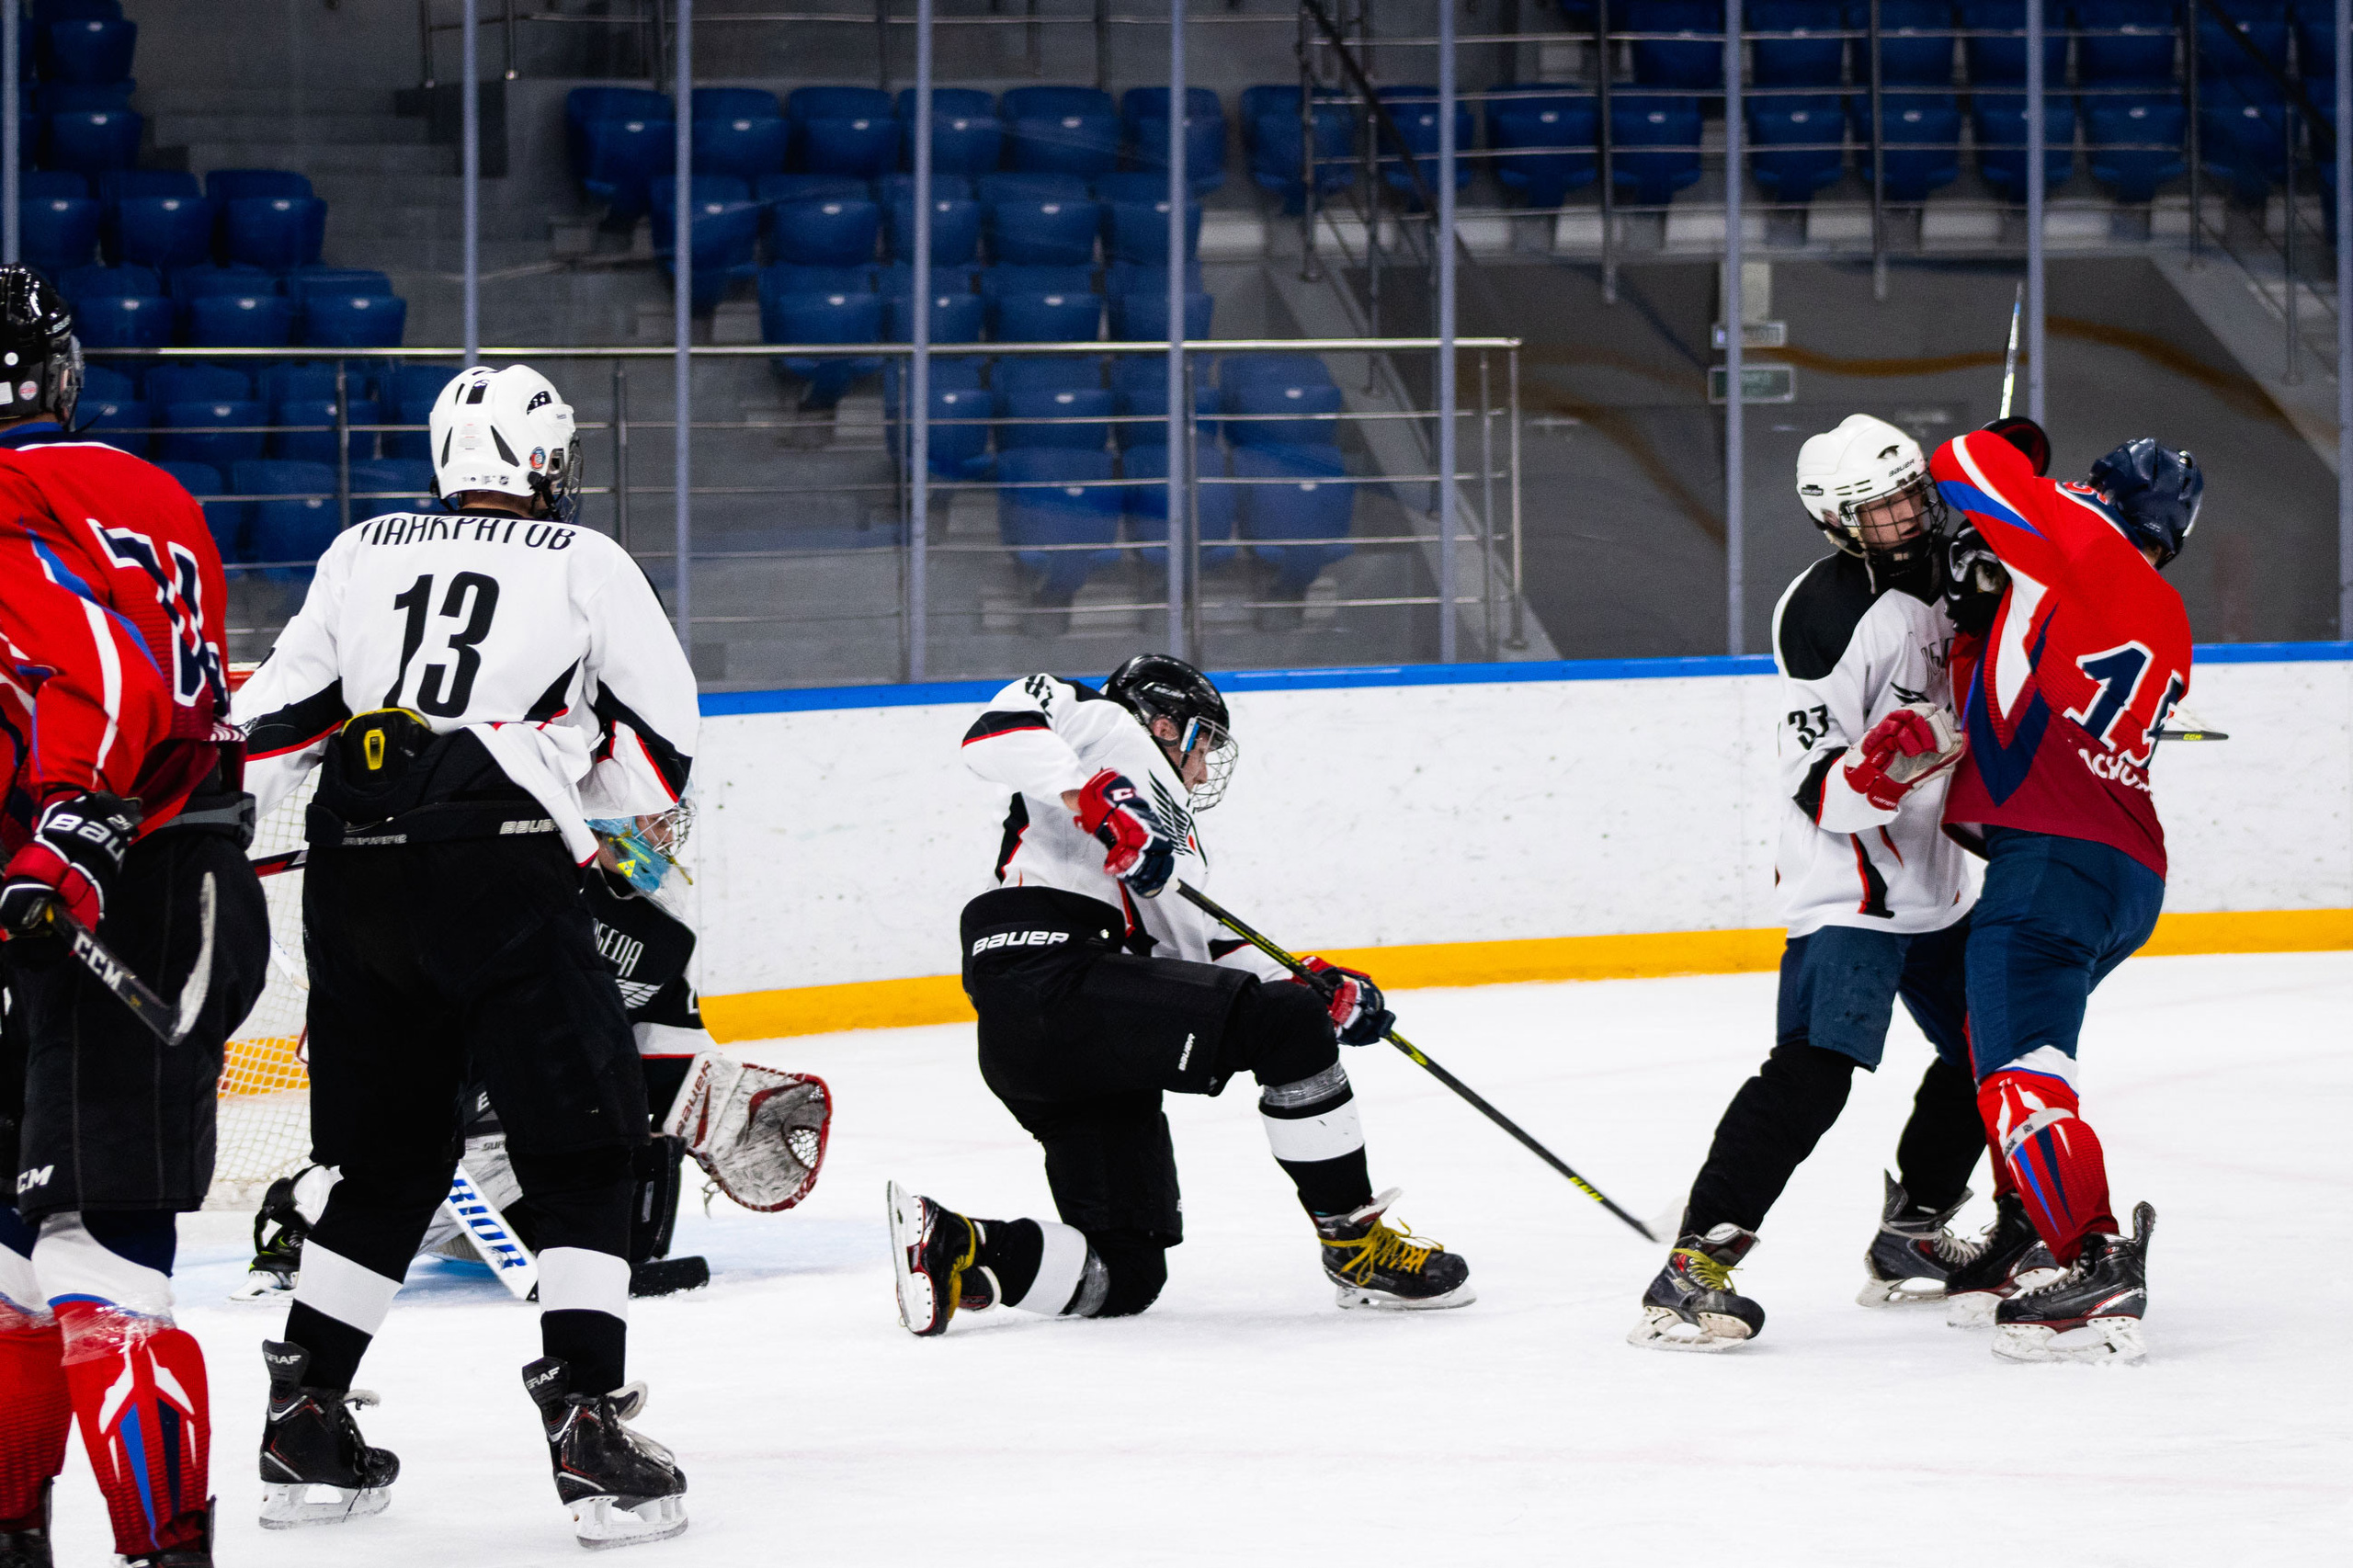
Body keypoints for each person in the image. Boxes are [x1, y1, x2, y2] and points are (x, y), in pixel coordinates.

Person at [232, 363, 700, 1545]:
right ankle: (590, 1427)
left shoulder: (358, 548)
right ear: (538, 456)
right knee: (586, 1145)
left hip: (352, 871)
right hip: (499, 864)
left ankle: (305, 1424)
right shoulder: (586, 560)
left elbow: (272, 723)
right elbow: (665, 747)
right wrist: (576, 790)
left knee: (385, 1161)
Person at [887, 654, 1472, 1335]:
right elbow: (995, 734)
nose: (1202, 770)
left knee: (1125, 1275)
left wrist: (1313, 985)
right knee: (1281, 1023)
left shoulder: (1178, 844)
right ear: (1167, 722)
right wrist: (1090, 799)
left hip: (1080, 1032)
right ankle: (1353, 1243)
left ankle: (957, 1244)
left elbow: (1191, 957)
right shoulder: (1096, 720)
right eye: (1204, 748)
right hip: (1048, 975)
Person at [0, 266, 270, 1568]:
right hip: (123, 886)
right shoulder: (148, 489)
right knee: (15, 1257)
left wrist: (73, 824)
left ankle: (163, 1548)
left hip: (129, 890)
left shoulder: (8, 496)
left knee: (94, 1253)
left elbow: (107, 672)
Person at [1630, 414, 1997, 1353]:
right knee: (1809, 1073)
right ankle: (1691, 1269)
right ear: (1835, 521)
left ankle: (1912, 1231)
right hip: (1853, 888)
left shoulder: (1960, 566)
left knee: (1989, 1051)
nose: (1906, 518)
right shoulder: (1824, 612)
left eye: (1912, 495)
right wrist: (1881, 768)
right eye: (1878, 511)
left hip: (1941, 881)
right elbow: (1819, 784)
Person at [1927, 420, 2199, 1365]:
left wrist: (2017, 450)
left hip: (2051, 860)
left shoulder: (2073, 537)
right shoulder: (2165, 611)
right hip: (2127, 869)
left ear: (2103, 493)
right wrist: (1980, 614)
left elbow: (1961, 462)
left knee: (2020, 1069)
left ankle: (2088, 1253)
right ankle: (2023, 1223)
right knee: (1993, 1032)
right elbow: (2022, 666)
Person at [234, 805, 728, 1302]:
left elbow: (668, 1053)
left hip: (538, 1094)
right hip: (463, 1078)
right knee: (424, 1161)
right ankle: (303, 1221)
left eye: (668, 822)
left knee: (620, 1124)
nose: (664, 835)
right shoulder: (527, 874)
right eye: (653, 820)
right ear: (607, 815)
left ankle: (573, 1251)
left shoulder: (664, 934)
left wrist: (724, 1117)